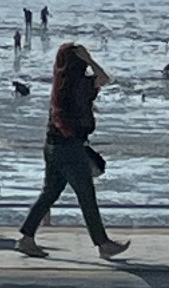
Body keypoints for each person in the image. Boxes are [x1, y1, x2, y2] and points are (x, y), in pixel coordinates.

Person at [16, 41, 131, 261]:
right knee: (86, 194)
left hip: (52, 145)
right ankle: (102, 243)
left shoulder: (61, 85)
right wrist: (90, 59)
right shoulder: (79, 84)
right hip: (70, 147)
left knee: (50, 192)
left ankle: (26, 237)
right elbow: (104, 78)